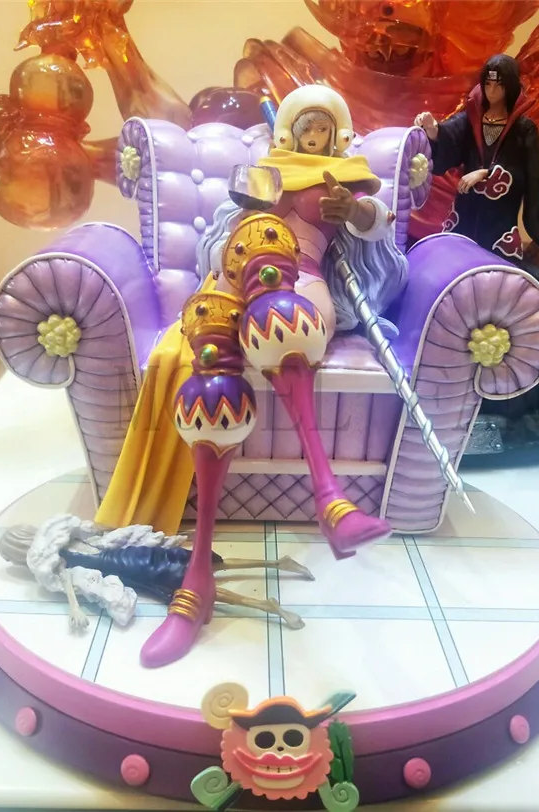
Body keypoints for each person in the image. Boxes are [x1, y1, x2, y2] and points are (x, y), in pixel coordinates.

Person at [95, 85, 406, 546]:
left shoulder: (345, 177)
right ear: (289, 131)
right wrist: (247, 216)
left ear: (337, 134)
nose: (314, 136)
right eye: (306, 127)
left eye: (323, 128)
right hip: (242, 273)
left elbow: (378, 219)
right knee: (212, 373)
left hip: (302, 277)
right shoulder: (266, 172)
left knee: (288, 325)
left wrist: (352, 211)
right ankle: (202, 550)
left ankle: (330, 498)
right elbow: (222, 241)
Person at [415, 54, 539, 280]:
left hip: (499, 215)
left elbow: (526, 175)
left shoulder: (523, 129)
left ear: (510, 87)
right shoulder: (472, 119)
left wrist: (486, 173)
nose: (492, 91)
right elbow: (451, 136)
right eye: (488, 84)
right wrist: (433, 129)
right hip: (466, 206)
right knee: (453, 261)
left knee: (497, 271)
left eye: (499, 85)